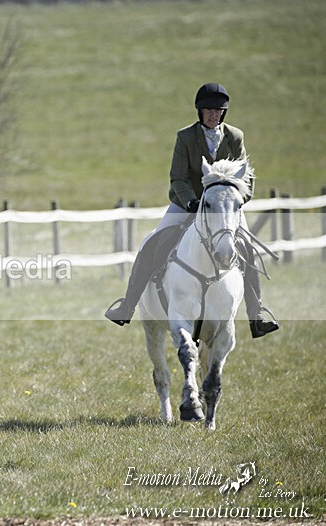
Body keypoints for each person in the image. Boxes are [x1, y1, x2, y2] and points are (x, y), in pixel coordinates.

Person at [104, 83, 279, 338]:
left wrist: (236, 200)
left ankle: (257, 315)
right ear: (200, 111)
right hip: (187, 204)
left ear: (224, 113)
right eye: (208, 110)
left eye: (218, 111)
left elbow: (247, 178)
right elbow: (178, 177)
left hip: (223, 208)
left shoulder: (235, 137)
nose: (213, 115)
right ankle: (127, 306)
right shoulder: (185, 137)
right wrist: (191, 203)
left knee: (247, 251)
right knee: (153, 243)